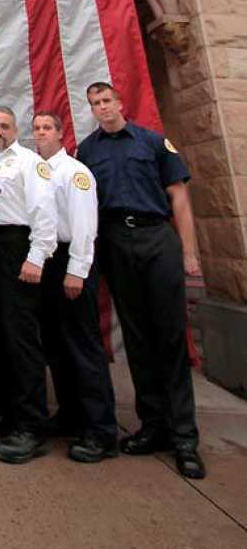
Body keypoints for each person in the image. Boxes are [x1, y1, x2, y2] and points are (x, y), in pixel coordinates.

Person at [77, 82, 205, 480]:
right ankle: (153, 427)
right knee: (136, 336)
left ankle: (184, 437)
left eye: (106, 101)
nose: (102, 108)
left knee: (169, 336)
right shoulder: (88, 150)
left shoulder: (153, 143)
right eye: (95, 104)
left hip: (156, 238)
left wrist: (188, 252)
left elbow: (178, 197)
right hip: (116, 240)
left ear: (120, 103)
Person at [0, 105, 57, 464]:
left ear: (15, 129)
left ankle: (32, 425)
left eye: (4, 125)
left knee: (21, 337)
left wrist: (36, 257)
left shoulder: (30, 162)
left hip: (16, 246)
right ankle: (4, 412)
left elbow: (44, 211)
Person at [32, 111, 118, 463]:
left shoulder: (75, 172)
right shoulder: (38, 172)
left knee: (83, 346)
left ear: (60, 133)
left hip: (71, 259)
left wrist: (78, 270)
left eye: (47, 128)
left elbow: (85, 226)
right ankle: (70, 415)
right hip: (47, 261)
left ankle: (101, 431)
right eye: (36, 128)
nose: (41, 133)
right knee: (55, 345)